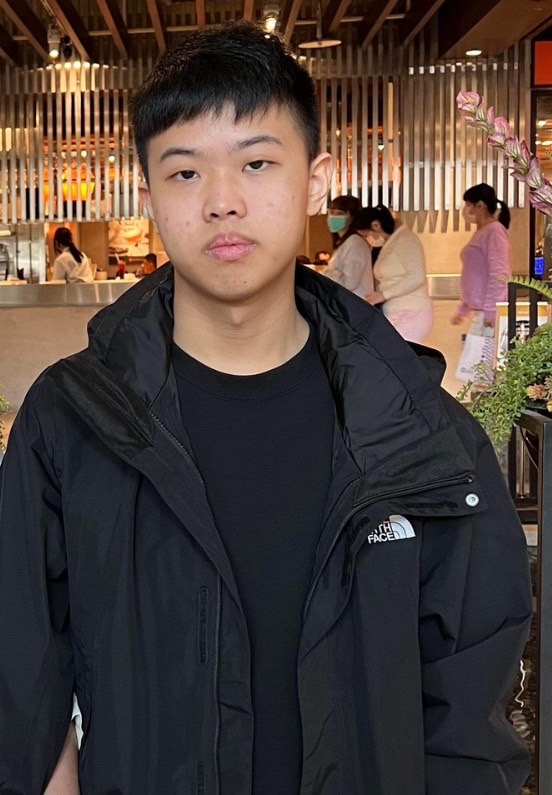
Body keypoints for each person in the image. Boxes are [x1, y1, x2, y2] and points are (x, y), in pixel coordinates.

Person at [0, 21, 531, 795]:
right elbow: (22, 668)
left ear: (315, 181)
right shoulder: (71, 421)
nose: (222, 201)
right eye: (185, 172)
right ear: (148, 197)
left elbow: (470, 709)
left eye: (256, 162)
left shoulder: (420, 434)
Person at [359, 205, 433, 344]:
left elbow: (416, 277)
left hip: (410, 311)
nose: (369, 239)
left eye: (367, 234)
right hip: (397, 312)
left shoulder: (406, 240)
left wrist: (384, 294)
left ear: (376, 225)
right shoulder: (392, 242)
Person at [451, 183, 511, 334]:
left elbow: (499, 273)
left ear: (480, 206)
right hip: (481, 311)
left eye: (469, 205)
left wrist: (491, 311)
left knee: (477, 350)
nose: (467, 211)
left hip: (487, 313)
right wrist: (463, 309)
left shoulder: (494, 232)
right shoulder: (483, 232)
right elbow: (476, 274)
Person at [323, 194, 374, 297]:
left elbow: (349, 283)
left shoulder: (355, 243)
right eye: (332, 212)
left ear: (352, 218)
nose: (334, 217)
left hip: (354, 302)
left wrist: (327, 273)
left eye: (340, 213)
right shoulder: (345, 242)